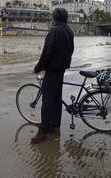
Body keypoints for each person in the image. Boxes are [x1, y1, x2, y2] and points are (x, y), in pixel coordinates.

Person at [31, 8, 74, 144]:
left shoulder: (55, 31)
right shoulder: (69, 30)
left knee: (48, 102)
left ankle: (42, 131)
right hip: (61, 69)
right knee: (56, 100)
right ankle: (55, 127)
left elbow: (47, 53)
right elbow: (71, 50)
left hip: (52, 70)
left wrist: (38, 67)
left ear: (55, 18)